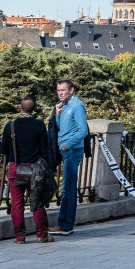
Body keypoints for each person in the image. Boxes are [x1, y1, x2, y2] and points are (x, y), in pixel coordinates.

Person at [0, 95, 52, 244]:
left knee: (17, 203)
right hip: (35, 168)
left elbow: (3, 149)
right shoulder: (39, 125)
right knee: (37, 201)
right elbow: (44, 150)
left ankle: (20, 237)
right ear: (35, 109)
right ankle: (42, 235)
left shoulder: (10, 126)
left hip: (16, 168)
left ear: (19, 108)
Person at [49, 78, 87, 236]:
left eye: (63, 90)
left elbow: (83, 130)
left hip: (71, 150)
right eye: (58, 90)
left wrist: (67, 145)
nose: (60, 93)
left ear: (71, 90)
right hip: (65, 150)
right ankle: (66, 224)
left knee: (67, 189)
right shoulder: (63, 106)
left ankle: (64, 225)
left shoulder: (77, 106)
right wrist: (57, 115)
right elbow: (61, 128)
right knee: (68, 188)